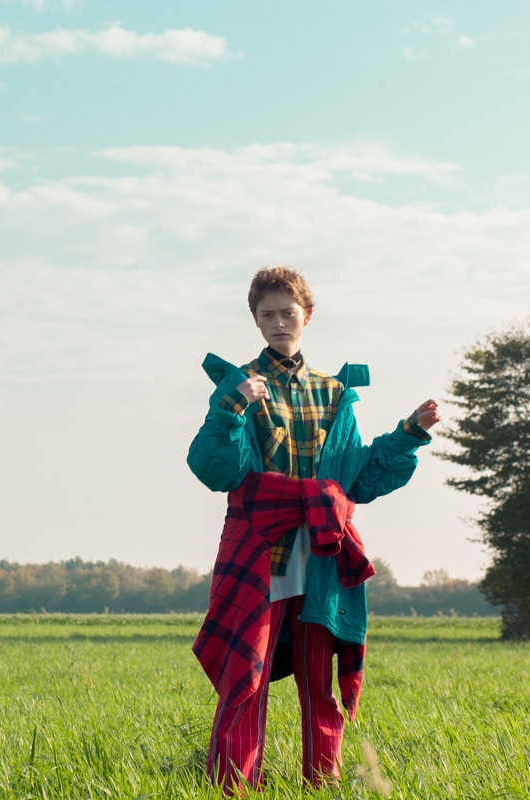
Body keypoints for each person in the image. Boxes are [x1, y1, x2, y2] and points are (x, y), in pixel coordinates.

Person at [187, 265, 440, 792]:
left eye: (288, 312)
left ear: (307, 315)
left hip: (323, 553)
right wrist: (232, 407)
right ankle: (232, 787)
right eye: (268, 315)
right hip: (261, 552)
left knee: (320, 687)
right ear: (256, 321)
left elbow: (358, 477)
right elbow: (216, 470)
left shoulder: (334, 392)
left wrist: (408, 435)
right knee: (246, 681)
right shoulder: (241, 387)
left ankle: (323, 785)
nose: (279, 322)